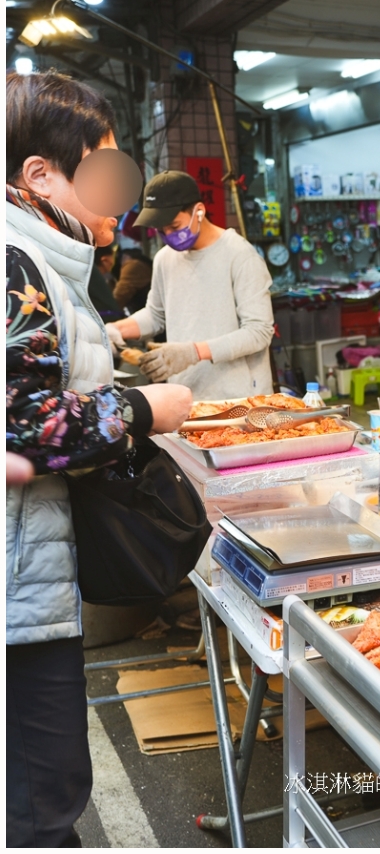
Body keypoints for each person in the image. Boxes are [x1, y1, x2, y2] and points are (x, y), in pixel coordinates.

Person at [6, 68, 192, 847]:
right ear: (40, 174)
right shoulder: (19, 268)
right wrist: (148, 408)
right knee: (43, 802)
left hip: (30, 573)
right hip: (18, 587)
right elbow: (26, 429)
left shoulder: (48, 263)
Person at [107, 170, 274, 399]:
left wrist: (193, 352)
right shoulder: (165, 259)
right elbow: (156, 315)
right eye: (161, 231)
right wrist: (116, 329)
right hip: (186, 396)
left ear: (199, 211)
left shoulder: (239, 255)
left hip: (241, 400)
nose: (168, 235)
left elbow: (259, 331)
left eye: (174, 227)